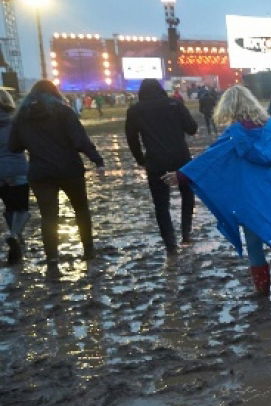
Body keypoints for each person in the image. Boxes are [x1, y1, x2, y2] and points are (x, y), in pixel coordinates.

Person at [163, 85, 271, 295]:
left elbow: (210, 160)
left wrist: (181, 176)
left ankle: (262, 290)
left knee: (254, 243)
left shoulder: (234, 136)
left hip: (252, 199)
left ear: (229, 108)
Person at [9, 80, 104, 268]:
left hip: (40, 172)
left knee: (49, 216)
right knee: (81, 210)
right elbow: (80, 140)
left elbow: (14, 146)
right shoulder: (63, 111)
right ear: (54, 93)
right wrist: (97, 160)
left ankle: (52, 257)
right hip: (70, 169)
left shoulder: (22, 116)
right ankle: (88, 251)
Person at [125, 78, 198, 255]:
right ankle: (186, 233)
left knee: (161, 204)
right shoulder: (174, 103)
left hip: (155, 161)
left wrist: (140, 159)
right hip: (181, 158)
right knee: (187, 196)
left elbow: (132, 139)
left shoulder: (135, 111)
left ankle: (170, 243)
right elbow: (192, 128)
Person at [0, 89, 29, 265]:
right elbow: (24, 142)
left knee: (9, 207)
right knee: (22, 208)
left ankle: (17, 238)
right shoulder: (17, 120)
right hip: (17, 168)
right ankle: (14, 235)